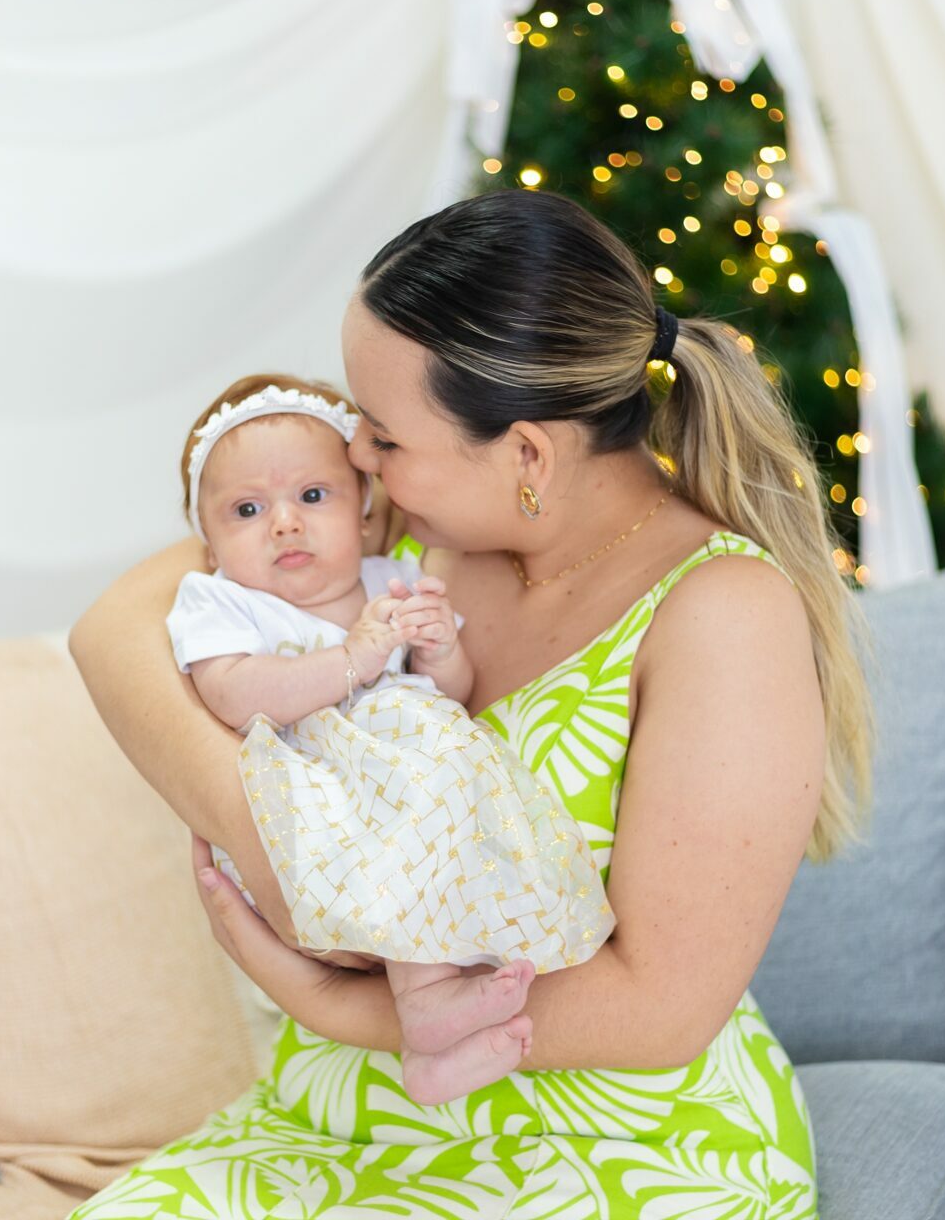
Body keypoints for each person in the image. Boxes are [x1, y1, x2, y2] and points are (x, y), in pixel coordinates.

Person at [67, 188, 877, 1219]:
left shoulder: (723, 612)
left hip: (605, 1138)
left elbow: (662, 1009)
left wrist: (335, 999)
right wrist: (277, 845)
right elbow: (113, 632)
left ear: (527, 454)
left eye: (383, 435)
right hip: (337, 1119)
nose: (352, 456)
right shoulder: (405, 530)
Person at [164, 373, 614, 1106]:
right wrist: (352, 659)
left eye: (314, 496)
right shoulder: (222, 602)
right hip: (310, 801)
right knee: (403, 838)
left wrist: (439, 651)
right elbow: (232, 693)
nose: (285, 524)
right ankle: (427, 1006)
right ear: (209, 543)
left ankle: (435, 1042)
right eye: (248, 510)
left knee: (449, 838)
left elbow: (452, 694)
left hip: (403, 797)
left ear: (363, 508)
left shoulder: (392, 581)